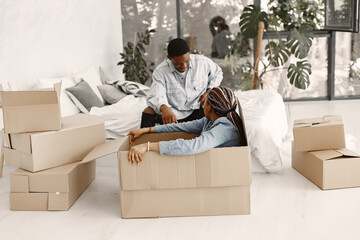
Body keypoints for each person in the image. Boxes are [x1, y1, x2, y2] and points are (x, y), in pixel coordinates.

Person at [128, 86, 247, 165]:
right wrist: (147, 130)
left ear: (210, 107)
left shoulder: (225, 128)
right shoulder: (210, 120)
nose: (202, 105)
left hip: (220, 169)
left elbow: (193, 146)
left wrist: (147, 146)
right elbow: (181, 126)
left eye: (204, 102)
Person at [140, 38, 223, 128]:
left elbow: (218, 73)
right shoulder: (161, 71)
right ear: (169, 58)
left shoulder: (203, 63)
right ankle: (144, 141)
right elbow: (155, 95)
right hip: (175, 115)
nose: (184, 66)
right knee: (148, 111)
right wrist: (164, 107)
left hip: (199, 109)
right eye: (178, 63)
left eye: (187, 61)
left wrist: (209, 91)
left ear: (189, 54)